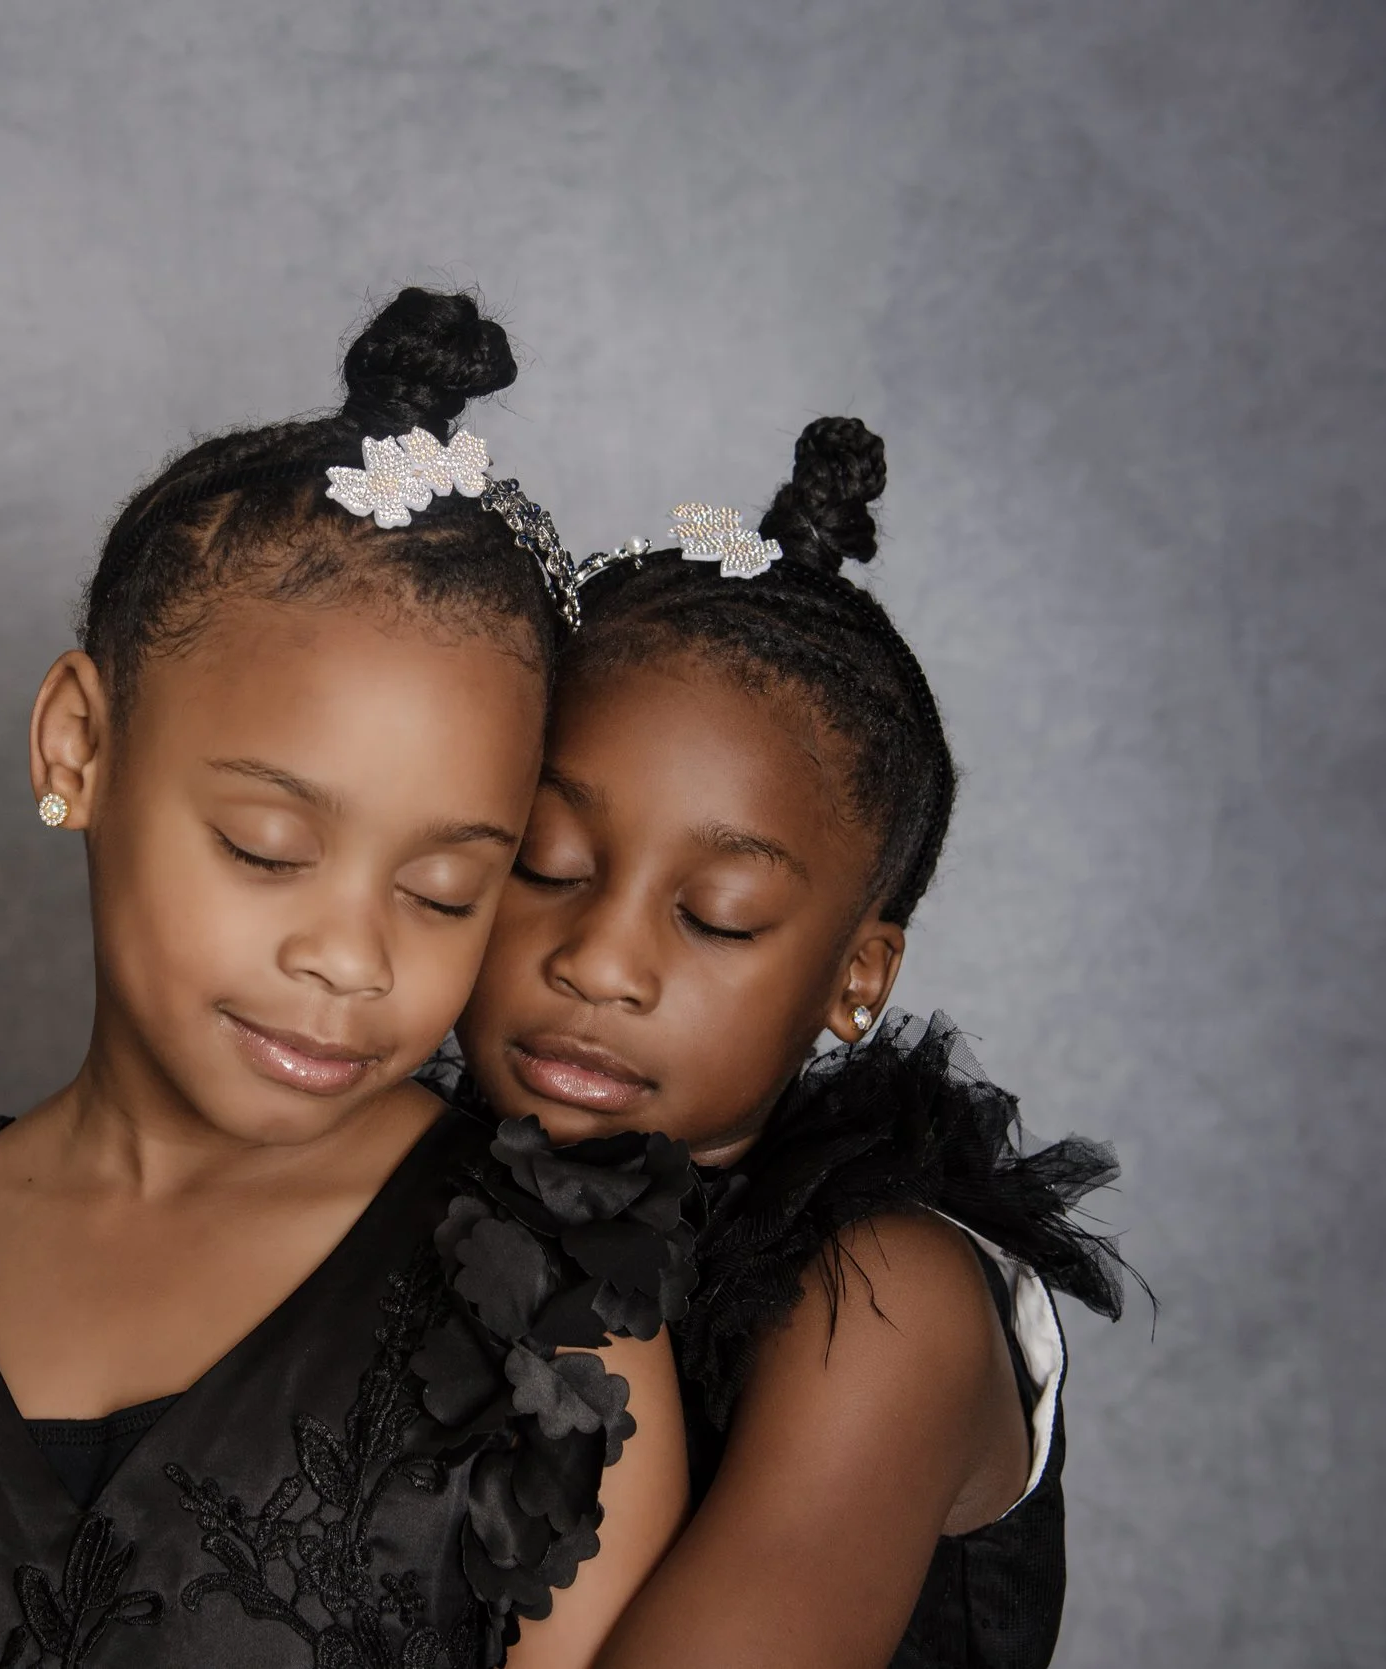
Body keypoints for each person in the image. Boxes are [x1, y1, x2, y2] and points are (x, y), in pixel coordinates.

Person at [0, 289, 691, 1669]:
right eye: (268, 849)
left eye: (448, 890)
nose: (351, 955)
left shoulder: (539, 1311)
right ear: (78, 746)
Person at [450, 417, 1135, 1668]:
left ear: (855, 977)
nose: (599, 961)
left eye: (717, 918)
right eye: (544, 864)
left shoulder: (885, 1309)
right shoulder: (399, 1173)